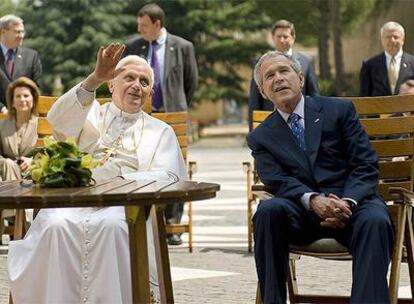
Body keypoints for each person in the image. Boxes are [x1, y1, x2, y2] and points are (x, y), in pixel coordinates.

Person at [8, 42, 187, 304]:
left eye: (145, 81)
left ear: (150, 93)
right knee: (55, 225)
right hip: (73, 199)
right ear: (112, 84)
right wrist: (94, 79)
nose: (137, 85)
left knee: (113, 227)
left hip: (127, 205)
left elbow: (171, 176)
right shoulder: (91, 113)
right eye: (129, 77)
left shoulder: (160, 131)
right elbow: (58, 121)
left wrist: (118, 182)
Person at [247, 51, 394, 303]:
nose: (278, 78)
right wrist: (313, 200)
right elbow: (277, 180)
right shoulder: (261, 137)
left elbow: (365, 165)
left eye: (284, 71)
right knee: (267, 212)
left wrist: (346, 202)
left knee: (376, 219)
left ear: (300, 78)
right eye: (269, 76)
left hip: (353, 205)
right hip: (301, 211)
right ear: (263, 92)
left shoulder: (339, 110)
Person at [124, 3, 198, 245]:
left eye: (144, 25)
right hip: (144, 115)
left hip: (173, 113)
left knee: (175, 164)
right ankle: (144, 220)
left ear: (157, 24)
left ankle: (172, 226)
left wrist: (177, 106)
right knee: (143, 163)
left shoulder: (183, 47)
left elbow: (191, 81)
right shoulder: (136, 46)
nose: (140, 29)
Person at [248, 19, 319, 130]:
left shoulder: (306, 62)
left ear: (293, 38)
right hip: (271, 123)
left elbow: (314, 95)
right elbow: (254, 99)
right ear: (272, 37)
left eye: (285, 36)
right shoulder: (261, 63)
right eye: (278, 36)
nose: (282, 40)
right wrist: (253, 131)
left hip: (302, 122)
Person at [360, 21, 414, 97]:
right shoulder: (369, 65)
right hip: (379, 108)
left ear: (403, 40)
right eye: (388, 37)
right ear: (382, 40)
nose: (392, 40)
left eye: (396, 37)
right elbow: (364, 98)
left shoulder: (412, 63)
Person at [0, 14, 42, 112]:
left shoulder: (32, 57)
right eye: (17, 32)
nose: (21, 36)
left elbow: (36, 89)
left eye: (23, 32)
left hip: (23, 119)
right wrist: (1, 108)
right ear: (3, 32)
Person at [0, 76, 38, 181]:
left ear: (33, 100)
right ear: (12, 102)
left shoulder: (41, 125)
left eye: (26, 96)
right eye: (18, 96)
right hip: (5, 177)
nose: (22, 99)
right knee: (8, 164)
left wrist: (32, 161)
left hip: (33, 176)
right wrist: (8, 164)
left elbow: (49, 154)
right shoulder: (2, 126)